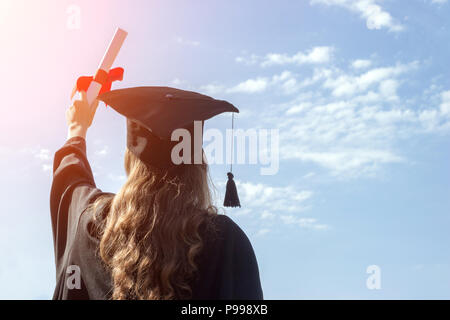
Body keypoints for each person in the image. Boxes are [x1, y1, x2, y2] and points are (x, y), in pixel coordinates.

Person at [50, 87, 263, 300]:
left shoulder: (93, 225)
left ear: (130, 159)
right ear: (198, 164)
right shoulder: (223, 242)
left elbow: (71, 182)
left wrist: (77, 129)